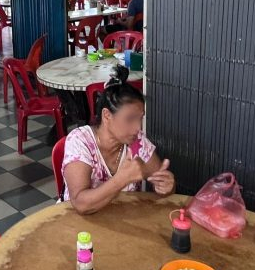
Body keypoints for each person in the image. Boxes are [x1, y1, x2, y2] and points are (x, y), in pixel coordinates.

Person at [62, 67, 174, 213]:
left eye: (140, 118)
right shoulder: (80, 141)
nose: (137, 128)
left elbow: (163, 185)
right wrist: (122, 179)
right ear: (107, 115)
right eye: (130, 119)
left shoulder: (137, 143)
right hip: (76, 226)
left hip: (121, 222)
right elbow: (80, 204)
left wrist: (166, 186)